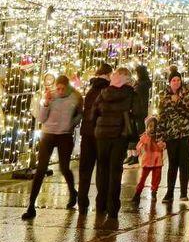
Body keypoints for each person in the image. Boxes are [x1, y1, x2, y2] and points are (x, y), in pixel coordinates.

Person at [23, 74, 82, 219]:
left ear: (67, 87)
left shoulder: (75, 98)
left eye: (63, 88)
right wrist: (46, 104)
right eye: (58, 88)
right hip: (48, 134)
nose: (60, 91)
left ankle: (73, 193)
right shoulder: (51, 96)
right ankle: (31, 205)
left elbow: (80, 114)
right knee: (41, 169)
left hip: (64, 135)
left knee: (64, 167)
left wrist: (71, 124)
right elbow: (42, 118)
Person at [92, 66, 136, 222]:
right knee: (115, 172)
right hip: (119, 135)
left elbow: (94, 112)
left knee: (102, 170)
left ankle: (100, 204)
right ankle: (112, 209)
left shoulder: (104, 92)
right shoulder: (130, 93)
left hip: (102, 135)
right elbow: (138, 112)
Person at [77, 63, 112, 212]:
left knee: (85, 169)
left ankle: (82, 202)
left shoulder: (90, 89)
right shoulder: (108, 90)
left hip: (86, 133)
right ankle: (101, 203)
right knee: (102, 169)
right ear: (109, 74)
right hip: (101, 134)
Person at [157, 72, 189, 202]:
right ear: (169, 82)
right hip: (171, 134)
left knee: (184, 163)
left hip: (185, 133)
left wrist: (179, 102)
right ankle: (169, 193)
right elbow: (161, 116)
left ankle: (184, 192)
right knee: (172, 164)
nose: (176, 82)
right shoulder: (164, 95)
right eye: (173, 80)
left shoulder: (187, 93)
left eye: (178, 80)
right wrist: (159, 137)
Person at [131, 115, 165, 201]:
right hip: (147, 161)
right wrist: (136, 152)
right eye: (150, 126)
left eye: (154, 126)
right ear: (147, 127)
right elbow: (139, 146)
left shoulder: (159, 137)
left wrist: (159, 142)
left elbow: (162, 146)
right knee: (142, 179)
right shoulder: (144, 136)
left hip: (157, 162)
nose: (152, 128)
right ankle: (137, 193)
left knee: (156, 178)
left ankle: (154, 193)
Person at [125, 64, 152, 164]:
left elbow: (136, 95)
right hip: (137, 110)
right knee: (133, 133)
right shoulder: (141, 83)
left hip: (139, 111)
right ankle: (133, 155)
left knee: (137, 134)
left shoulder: (142, 85)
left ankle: (136, 155)